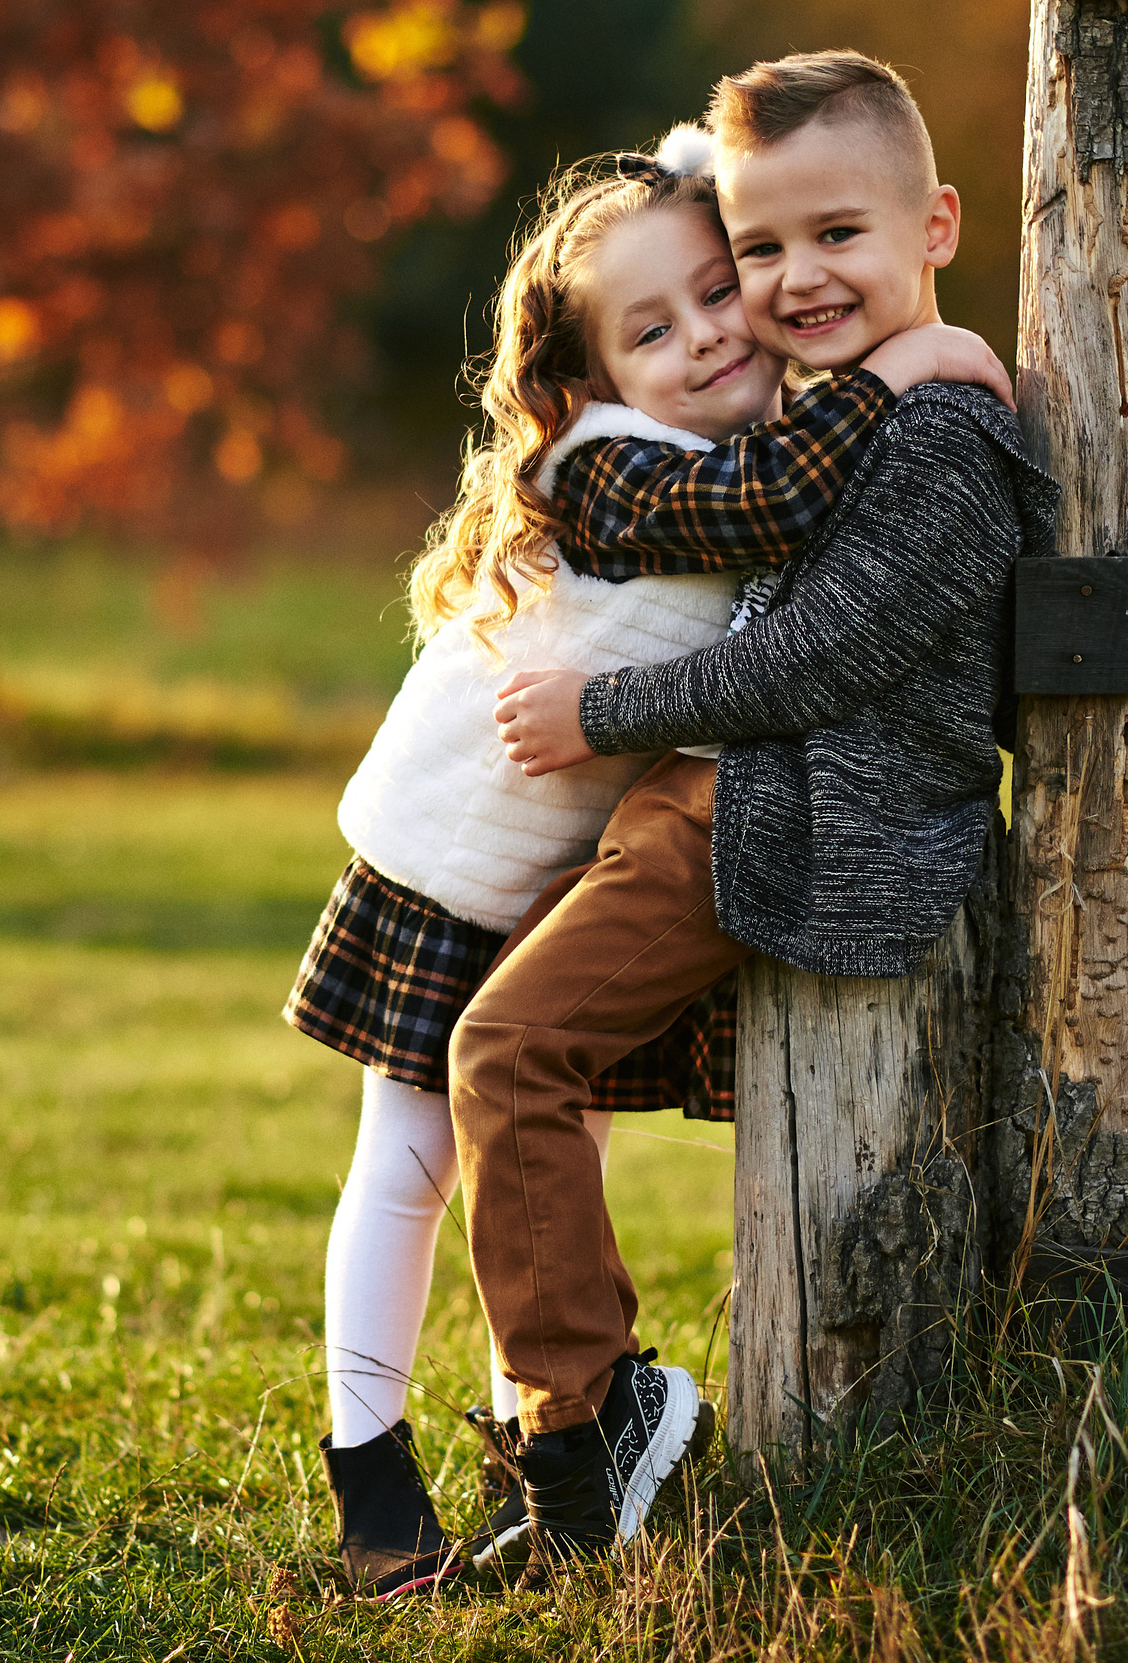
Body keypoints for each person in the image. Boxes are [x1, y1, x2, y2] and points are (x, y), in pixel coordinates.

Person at [283, 126, 1015, 1598]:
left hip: (555, 865)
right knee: (411, 1162)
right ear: (591, 379)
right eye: (650, 328)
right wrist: (910, 360)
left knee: (538, 1150)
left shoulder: (746, 437)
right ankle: (371, 1479)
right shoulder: (616, 470)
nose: (701, 339)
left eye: (713, 293)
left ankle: (549, 1443)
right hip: (447, 871)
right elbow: (781, 506)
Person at [464, 50, 1061, 1585]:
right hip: (710, 803)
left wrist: (602, 714)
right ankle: (557, 1438)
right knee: (504, 1058)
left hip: (784, 817)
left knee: (506, 1050)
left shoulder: (944, 440)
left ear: (935, 224)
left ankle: (587, 1425)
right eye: (763, 249)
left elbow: (822, 656)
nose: (796, 280)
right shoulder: (850, 409)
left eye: (838, 237)